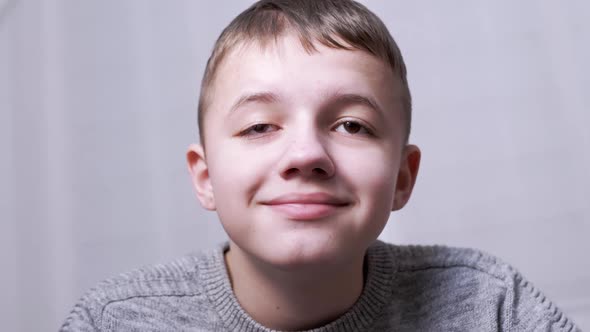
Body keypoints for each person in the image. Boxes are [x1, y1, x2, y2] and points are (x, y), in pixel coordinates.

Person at [60, 0, 580, 331]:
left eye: (352, 125)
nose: (306, 154)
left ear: (402, 177)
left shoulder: (488, 305)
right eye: (260, 126)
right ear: (206, 177)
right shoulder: (117, 321)